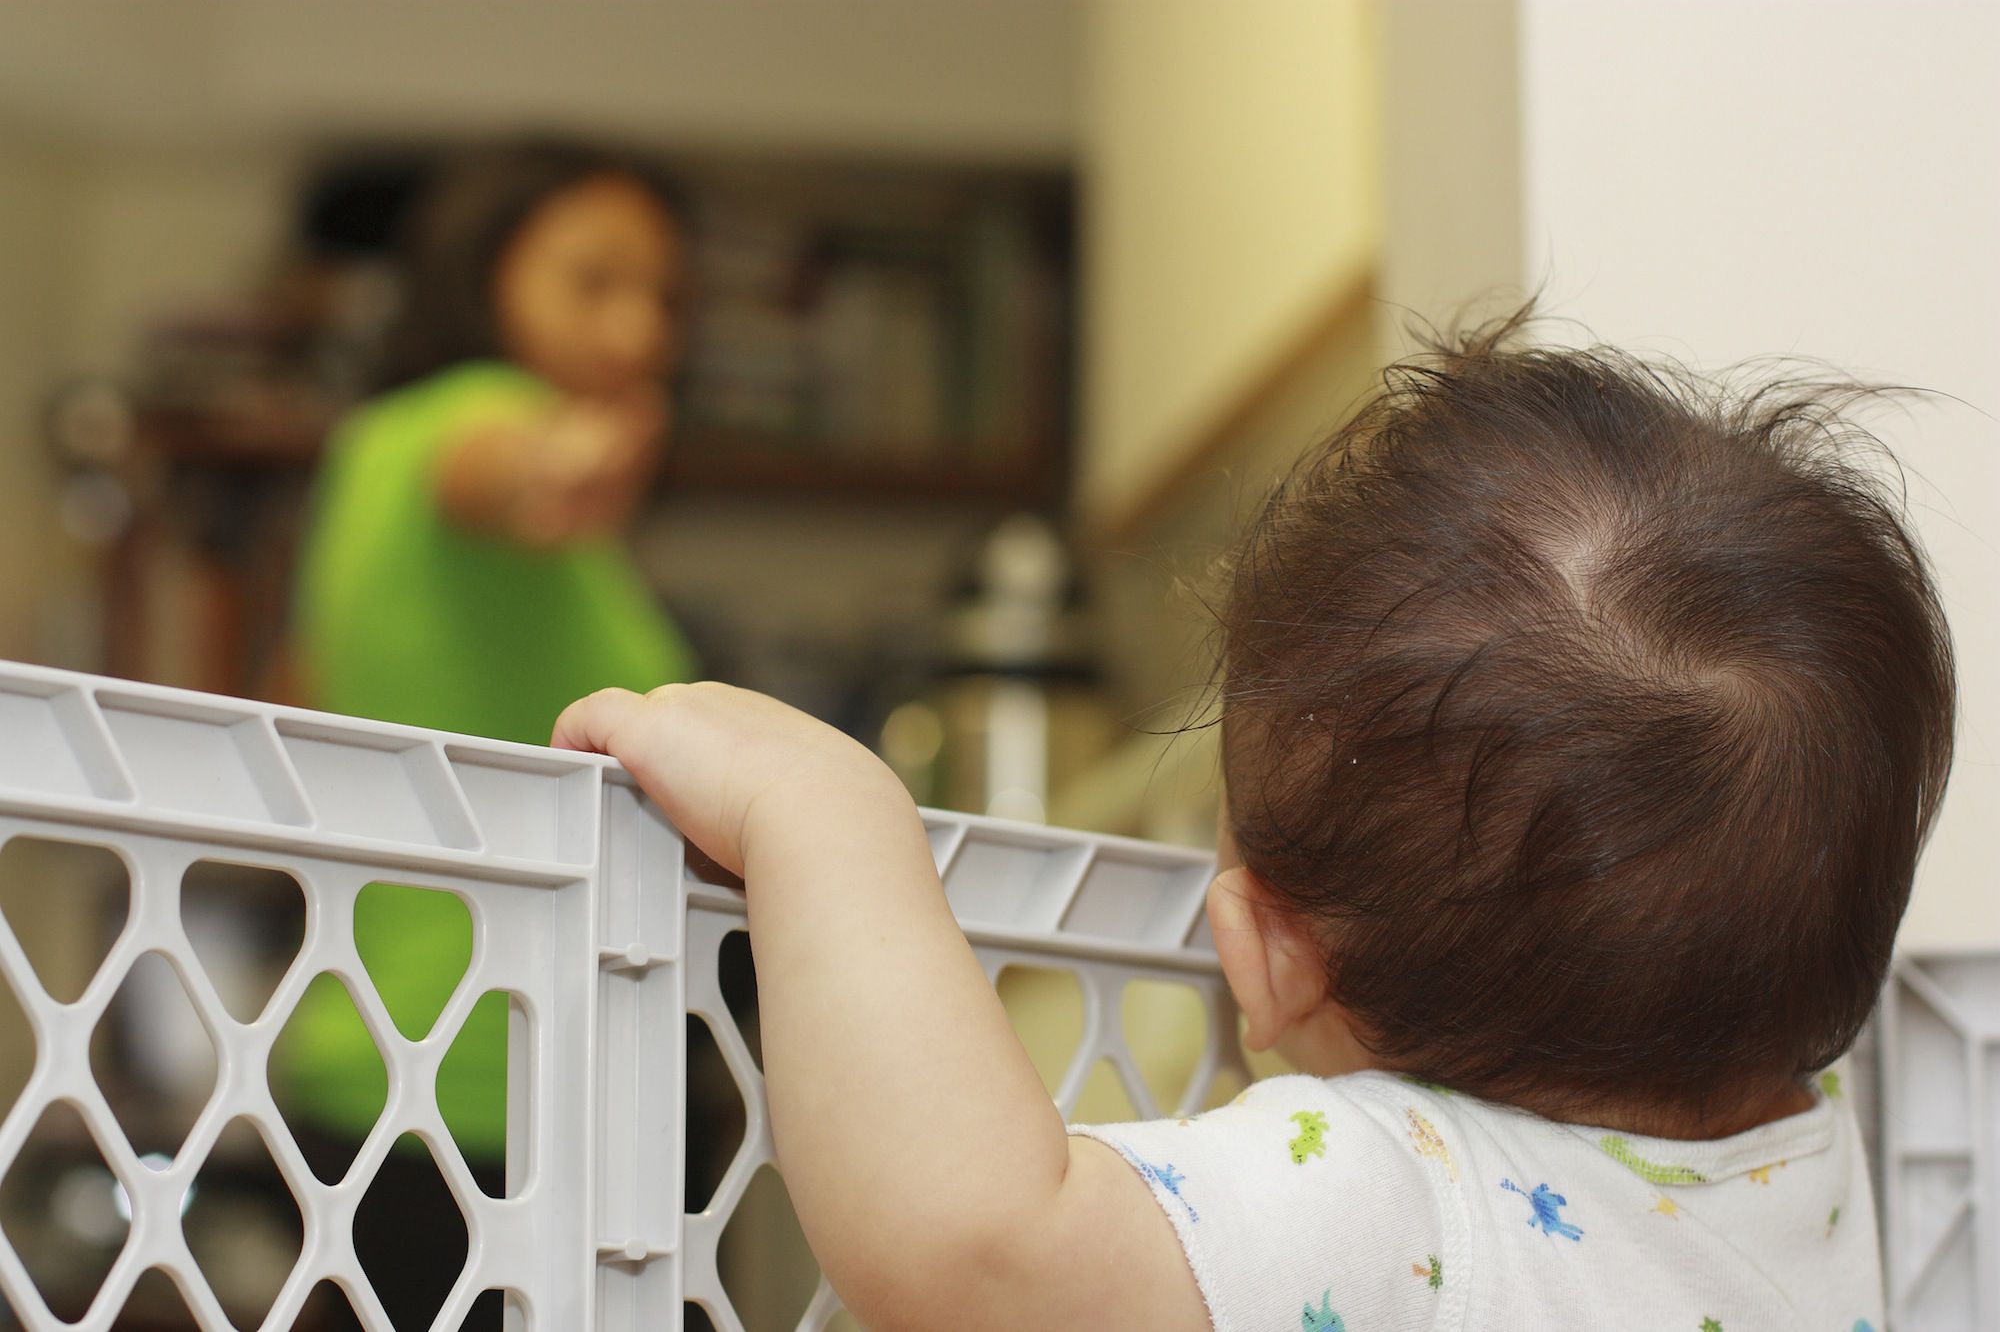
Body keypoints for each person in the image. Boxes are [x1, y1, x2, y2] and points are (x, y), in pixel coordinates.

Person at [552, 313, 1951, 1331]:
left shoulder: (1401, 1194)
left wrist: (831, 817)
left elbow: (979, 1250)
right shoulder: (1809, 1173)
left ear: (1268, 956)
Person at [285, 142, 696, 1327]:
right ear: (484, 273)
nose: (635, 329)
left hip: (380, 1050)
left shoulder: (363, 452)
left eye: (661, 295)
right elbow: (505, 466)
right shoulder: (468, 421)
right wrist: (561, 464)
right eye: (592, 280)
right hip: (485, 1077)